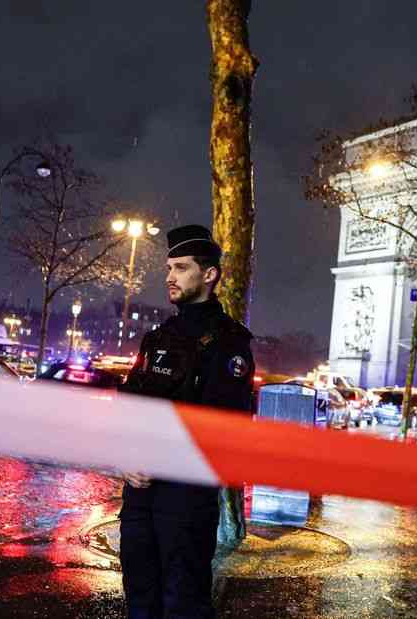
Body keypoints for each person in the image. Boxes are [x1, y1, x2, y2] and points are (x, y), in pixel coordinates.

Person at [117, 224, 254, 619]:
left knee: (183, 604)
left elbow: (224, 429)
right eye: (168, 268)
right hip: (140, 494)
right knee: (140, 599)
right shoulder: (157, 338)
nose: (169, 277)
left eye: (180, 267)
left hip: (186, 499)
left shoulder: (230, 344)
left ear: (209, 274)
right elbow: (129, 407)